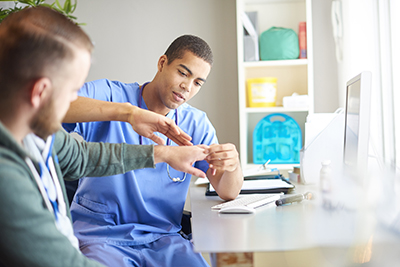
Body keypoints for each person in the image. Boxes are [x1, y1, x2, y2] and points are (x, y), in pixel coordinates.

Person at [0, 7, 211, 267]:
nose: (75, 101)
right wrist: (127, 112)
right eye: (73, 90)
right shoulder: (7, 178)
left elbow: (82, 157)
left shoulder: (39, 137)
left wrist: (164, 154)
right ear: (40, 92)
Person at [63, 34, 244, 267]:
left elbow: (228, 191)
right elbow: (54, 106)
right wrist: (128, 113)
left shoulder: (196, 123)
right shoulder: (112, 96)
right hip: (101, 236)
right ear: (162, 63)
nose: (187, 87)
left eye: (197, 82)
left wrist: (232, 165)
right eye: (183, 73)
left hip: (163, 239)